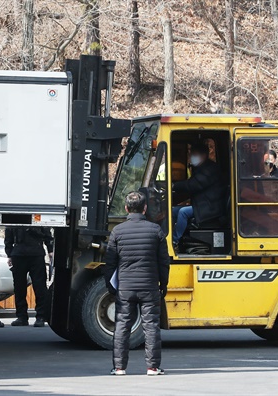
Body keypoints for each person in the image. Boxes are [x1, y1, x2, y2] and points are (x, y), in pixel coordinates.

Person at [103, 191, 170, 376]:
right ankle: (153, 367)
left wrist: (111, 287)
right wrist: (163, 284)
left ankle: (119, 368)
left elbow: (110, 263)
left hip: (125, 288)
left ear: (126, 208)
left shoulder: (117, 231)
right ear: (145, 208)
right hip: (149, 287)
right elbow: (164, 261)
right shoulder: (155, 230)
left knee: (122, 325)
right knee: (151, 326)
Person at [171, 143, 225, 247]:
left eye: (194, 154)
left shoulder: (210, 169)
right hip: (202, 204)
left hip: (211, 207)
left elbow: (194, 184)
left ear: (204, 155)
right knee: (173, 211)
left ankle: (175, 240)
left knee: (183, 212)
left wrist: (174, 186)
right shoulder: (201, 168)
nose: (191, 157)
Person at [5, 227, 53, 327]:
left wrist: (50, 249)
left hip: (34, 254)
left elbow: (46, 232)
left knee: (39, 287)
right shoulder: (16, 215)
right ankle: (22, 317)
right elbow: (9, 234)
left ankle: (39, 316)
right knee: (19, 288)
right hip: (21, 254)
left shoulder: (35, 213)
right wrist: (9, 254)